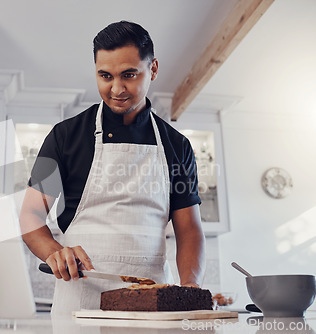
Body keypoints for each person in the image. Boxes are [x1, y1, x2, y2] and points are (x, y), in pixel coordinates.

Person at [19, 21, 205, 316]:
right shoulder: (63, 136)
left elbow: (189, 229)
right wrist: (56, 253)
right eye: (105, 76)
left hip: (152, 303)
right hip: (81, 303)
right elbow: (30, 215)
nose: (116, 89)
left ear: (153, 69)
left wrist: (190, 285)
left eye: (129, 75)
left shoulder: (177, 146)